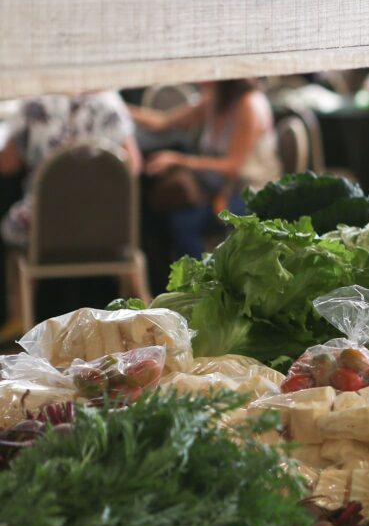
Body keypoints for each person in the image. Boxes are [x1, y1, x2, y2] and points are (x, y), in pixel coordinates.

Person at [0, 91, 140, 338]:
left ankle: (20, 320)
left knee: (10, 224)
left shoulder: (33, 103)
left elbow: (7, 164)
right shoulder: (109, 102)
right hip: (106, 228)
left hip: (46, 229)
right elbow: (133, 166)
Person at [129, 79, 280, 259]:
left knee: (182, 223)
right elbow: (163, 122)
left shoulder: (248, 105)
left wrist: (179, 160)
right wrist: (118, 110)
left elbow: (232, 166)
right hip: (218, 187)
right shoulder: (214, 100)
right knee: (158, 213)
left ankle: (203, 282)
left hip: (250, 192)